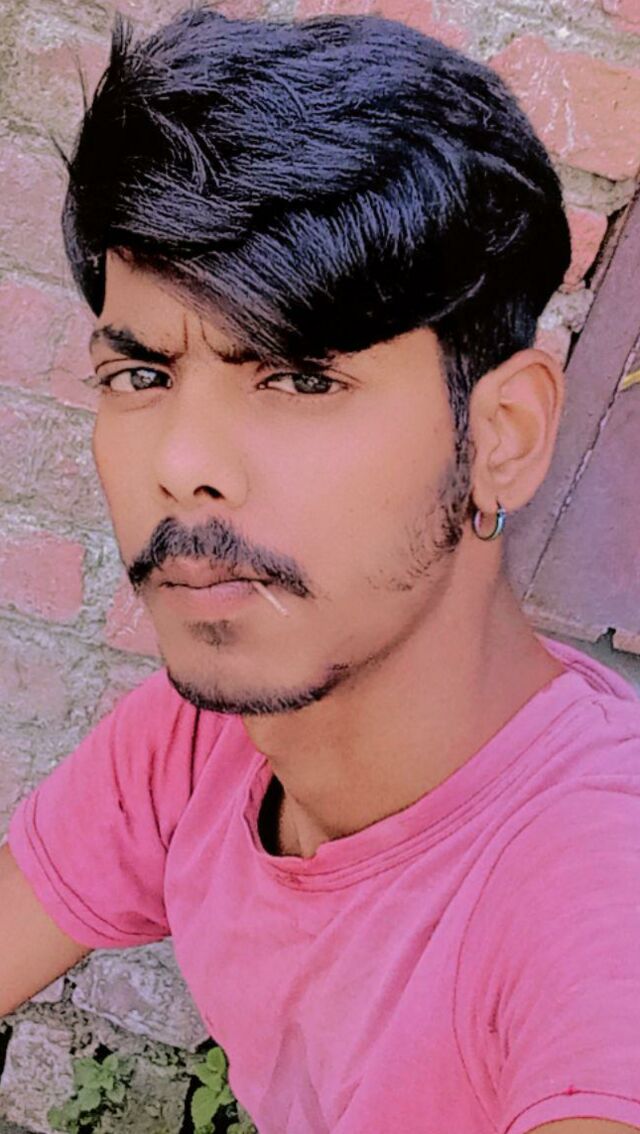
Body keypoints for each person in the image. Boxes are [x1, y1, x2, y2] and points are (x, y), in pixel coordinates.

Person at [1, 7, 639, 1133]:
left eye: (300, 379)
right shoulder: (197, 743)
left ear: (500, 436)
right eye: (141, 376)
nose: (183, 465)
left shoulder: (596, 888)